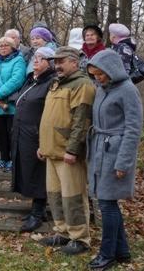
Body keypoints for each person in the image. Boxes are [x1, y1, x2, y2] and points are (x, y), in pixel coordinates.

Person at [85, 49, 143, 270]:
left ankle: (106, 254)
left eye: (101, 74)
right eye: (95, 74)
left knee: (107, 204)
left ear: (112, 69)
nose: (98, 78)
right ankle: (122, 250)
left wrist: (123, 162)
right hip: (100, 149)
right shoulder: (102, 89)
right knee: (107, 202)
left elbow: (133, 129)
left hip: (115, 152)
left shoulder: (128, 90)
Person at [37, 46, 96, 255]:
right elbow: (51, 116)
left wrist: (72, 150)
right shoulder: (56, 83)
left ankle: (80, 238)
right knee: (55, 195)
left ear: (74, 62)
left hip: (67, 153)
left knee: (73, 197)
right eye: (56, 61)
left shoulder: (83, 85)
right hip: (51, 151)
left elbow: (81, 121)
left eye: (62, 61)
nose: (57, 65)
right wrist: (42, 145)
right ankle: (62, 232)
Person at [11, 47, 56, 232]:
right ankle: (35, 210)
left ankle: (38, 213)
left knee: (38, 172)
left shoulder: (51, 82)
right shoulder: (31, 80)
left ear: (50, 62)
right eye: (35, 57)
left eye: (41, 58)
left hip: (37, 135)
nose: (36, 60)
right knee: (28, 170)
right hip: (22, 133)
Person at [0, 36, 26, 171]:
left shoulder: (18, 60)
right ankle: (4, 158)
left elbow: (17, 80)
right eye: (1, 46)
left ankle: (13, 161)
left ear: (13, 47)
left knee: (12, 134)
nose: (2, 48)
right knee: (2, 134)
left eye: (6, 45)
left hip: (12, 106)